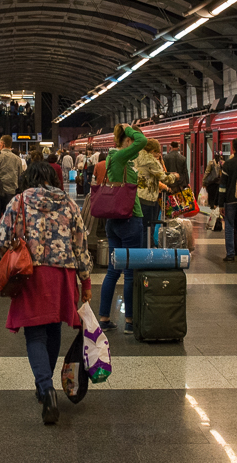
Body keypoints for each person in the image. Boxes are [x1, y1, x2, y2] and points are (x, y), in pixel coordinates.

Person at [0, 162, 92, 425]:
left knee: (35, 333)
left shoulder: (19, 202)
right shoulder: (69, 204)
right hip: (63, 276)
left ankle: (46, 388)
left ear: (28, 178)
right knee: (53, 328)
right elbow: (80, 244)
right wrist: (86, 280)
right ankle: (45, 385)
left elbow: (0, 241)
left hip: (31, 275)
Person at [98, 124, 147, 334]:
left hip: (113, 221)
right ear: (127, 141)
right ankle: (130, 321)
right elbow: (142, 141)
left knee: (112, 271)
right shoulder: (120, 157)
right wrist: (130, 129)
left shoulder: (112, 158)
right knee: (128, 273)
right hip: (129, 218)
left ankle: (104, 317)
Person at [135, 138, 178, 235]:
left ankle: (141, 248)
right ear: (152, 151)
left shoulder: (137, 157)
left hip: (137, 196)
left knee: (141, 227)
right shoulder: (150, 161)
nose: (158, 155)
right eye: (157, 152)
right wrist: (174, 176)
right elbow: (163, 177)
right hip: (148, 198)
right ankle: (147, 248)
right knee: (148, 228)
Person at [218, 138, 237, 263]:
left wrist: (220, 204)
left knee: (229, 227)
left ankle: (230, 254)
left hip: (230, 200)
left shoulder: (228, 164)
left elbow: (222, 186)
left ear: (233, 149)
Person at [0, 135, 24, 217]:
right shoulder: (17, 159)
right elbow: (20, 175)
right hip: (11, 191)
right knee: (9, 216)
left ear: (2, 144)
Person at [202, 158, 222, 231]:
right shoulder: (221, 164)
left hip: (211, 184)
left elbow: (207, 172)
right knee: (215, 203)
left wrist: (204, 181)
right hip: (217, 184)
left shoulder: (211, 163)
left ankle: (213, 220)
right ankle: (216, 220)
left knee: (212, 203)